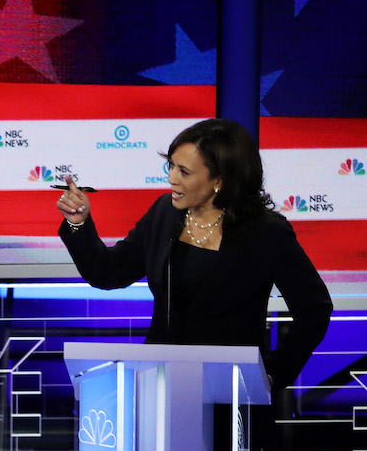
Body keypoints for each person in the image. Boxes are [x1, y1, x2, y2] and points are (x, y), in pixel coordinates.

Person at [56, 117, 332, 397]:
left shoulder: (266, 232)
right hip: (162, 387)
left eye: (184, 172)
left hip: (231, 391)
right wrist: (78, 224)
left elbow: (314, 309)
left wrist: (273, 372)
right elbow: (108, 272)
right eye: (171, 166)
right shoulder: (165, 213)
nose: (171, 178)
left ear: (219, 180)